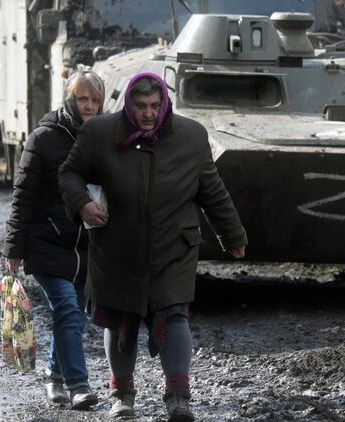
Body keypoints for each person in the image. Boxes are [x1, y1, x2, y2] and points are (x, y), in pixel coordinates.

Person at [58, 72, 247, 421]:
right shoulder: (99, 133)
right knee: (119, 319)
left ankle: (179, 397)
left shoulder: (191, 136)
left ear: (165, 105)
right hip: (117, 247)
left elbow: (211, 189)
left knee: (174, 316)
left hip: (173, 247)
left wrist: (232, 235)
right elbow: (69, 174)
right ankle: (122, 394)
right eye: (141, 106)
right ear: (129, 104)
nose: (148, 113)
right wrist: (82, 203)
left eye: (154, 106)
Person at [3, 66, 104, 410]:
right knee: (67, 307)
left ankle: (53, 376)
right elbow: (23, 196)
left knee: (72, 315)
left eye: (94, 100)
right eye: (82, 98)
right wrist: (14, 248)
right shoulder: (43, 138)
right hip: (46, 242)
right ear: (69, 100)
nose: (88, 106)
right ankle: (78, 385)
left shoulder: (103, 138)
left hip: (86, 247)